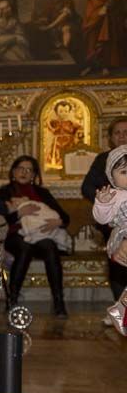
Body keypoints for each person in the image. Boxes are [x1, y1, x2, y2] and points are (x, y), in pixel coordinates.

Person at [0, 156, 70, 316]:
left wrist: (58, 222)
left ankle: (59, 302)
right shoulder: (4, 192)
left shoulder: (42, 193)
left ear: (34, 175)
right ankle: (12, 300)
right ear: (13, 171)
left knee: (50, 246)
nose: (24, 172)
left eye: (29, 170)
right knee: (24, 248)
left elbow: (65, 217)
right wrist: (19, 213)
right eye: (21, 168)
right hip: (15, 235)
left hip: (41, 235)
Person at [80, 116, 127, 299]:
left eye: (126, 132)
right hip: (116, 221)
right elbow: (87, 187)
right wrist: (105, 200)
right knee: (118, 264)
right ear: (110, 137)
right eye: (117, 133)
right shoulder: (103, 159)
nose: (122, 136)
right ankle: (120, 305)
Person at [93, 146, 127, 330]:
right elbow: (102, 218)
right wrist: (102, 203)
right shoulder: (115, 195)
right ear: (112, 178)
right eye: (124, 172)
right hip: (122, 236)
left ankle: (119, 311)